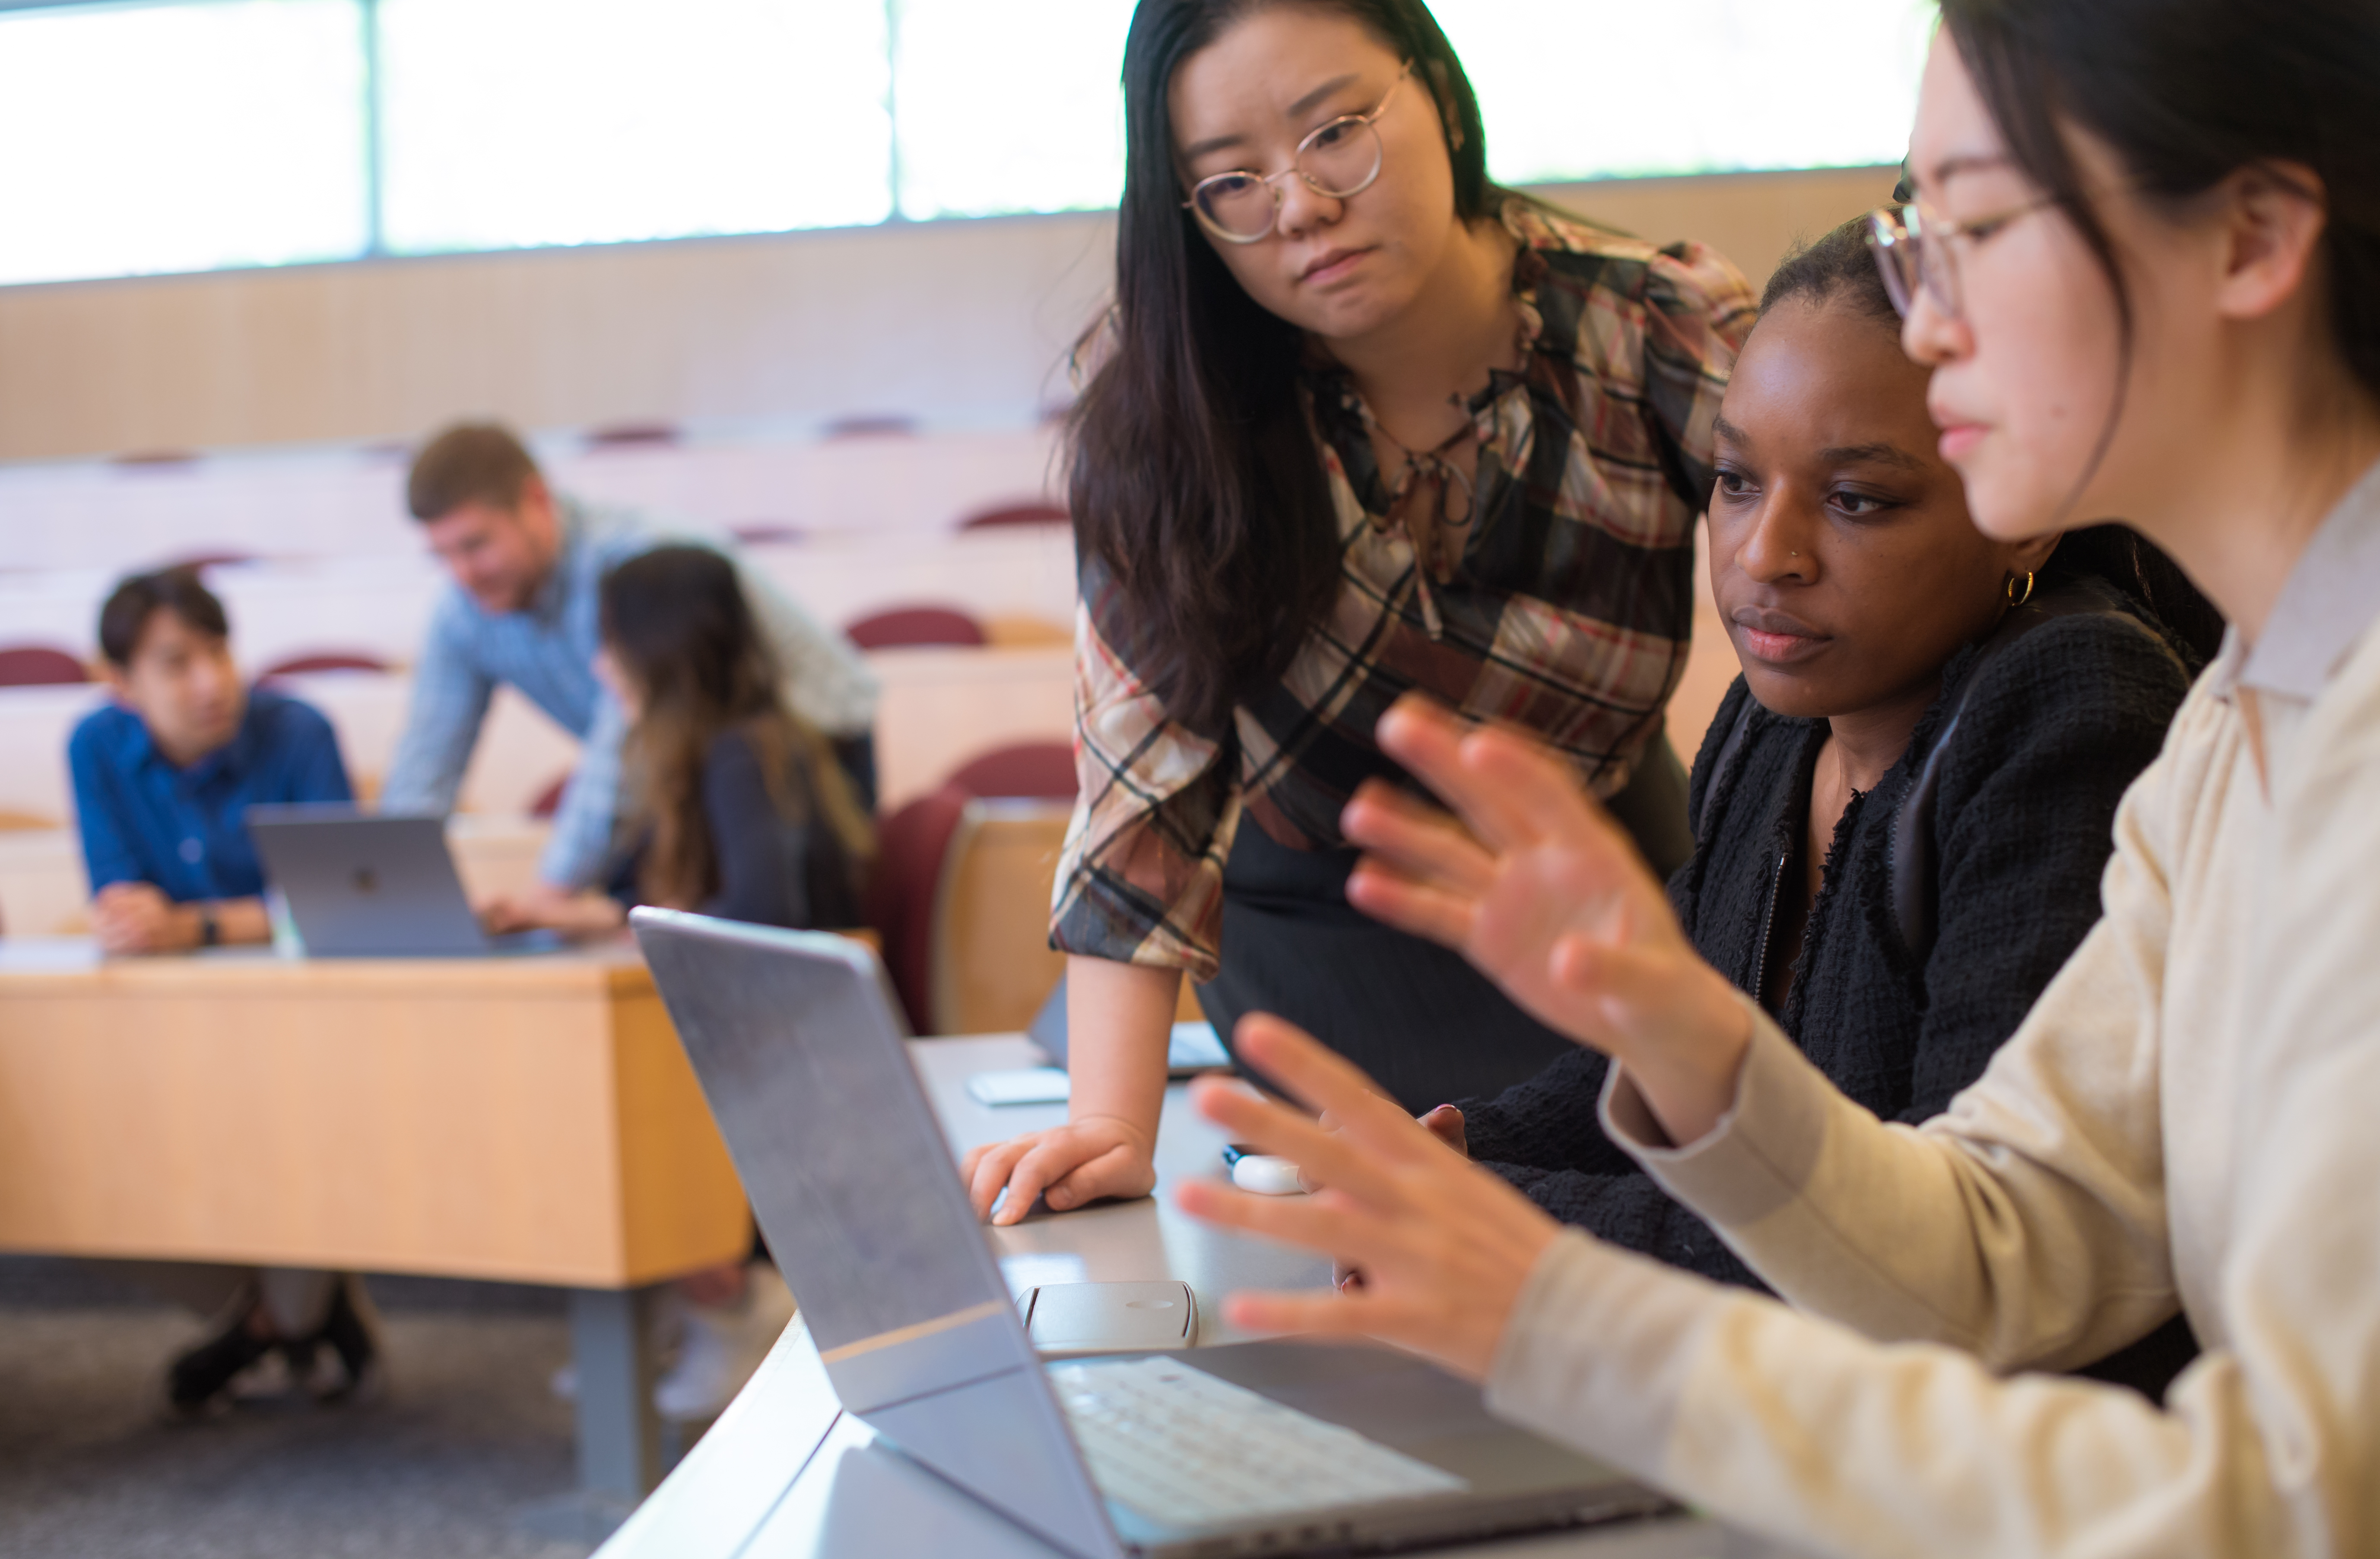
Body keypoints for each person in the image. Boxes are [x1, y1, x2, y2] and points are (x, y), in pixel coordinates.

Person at [1177, 2, 2380, 1553]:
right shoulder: (2244, 712)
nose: (1923, 315)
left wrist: (1561, 1314)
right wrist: (1678, 1031)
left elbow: (2292, 1504)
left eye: (1974, 225)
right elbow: (2007, 1237)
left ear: (2246, 241)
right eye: (1907, 229)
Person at [966, 0, 1758, 1225]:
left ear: (1435, 92)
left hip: (1603, 895)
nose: (1297, 208)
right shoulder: (1172, 428)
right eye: (1227, 180)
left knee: (1660, 1212)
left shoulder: (1644, 329)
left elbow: (1845, 577)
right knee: (1399, 1241)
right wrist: (1108, 1128)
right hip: (1328, 931)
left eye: (1333, 131)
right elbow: (1142, 795)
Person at [1416, 218, 2210, 1393]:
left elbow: (1906, 1255)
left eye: (1854, 500)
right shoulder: (1774, 718)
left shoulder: (2072, 709)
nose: (1761, 554)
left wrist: (1487, 1213)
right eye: (1735, 481)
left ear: (2025, 503)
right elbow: (1689, 1049)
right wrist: (1454, 1147)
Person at [488, 545, 873, 1422]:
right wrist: (600, 907)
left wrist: (614, 916)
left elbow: (760, 913)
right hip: (765, 1016)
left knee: (615, 1087)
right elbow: (661, 886)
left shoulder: (747, 751)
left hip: (791, 1033)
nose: (598, 664)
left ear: (659, 650)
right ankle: (680, 1297)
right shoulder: (699, 750)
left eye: (611, 641)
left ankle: (728, 1295)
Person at [66, 567, 381, 1410]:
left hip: (310, 1029)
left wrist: (199, 926)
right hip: (174, 1029)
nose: (212, 682)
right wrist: (152, 919)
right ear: (119, 684)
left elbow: (343, 899)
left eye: (218, 652)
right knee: (75, 1157)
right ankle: (278, 1314)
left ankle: (281, 1318)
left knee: (301, 1130)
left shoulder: (300, 730)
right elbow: (122, 903)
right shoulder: (92, 746)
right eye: (177, 662)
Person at [380, 422, 878, 920]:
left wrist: (551, 894)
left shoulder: (640, 559)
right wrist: (388, 896)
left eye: (475, 545)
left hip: (806, 749)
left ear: (535, 501)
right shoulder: (462, 611)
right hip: (685, 763)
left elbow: (620, 745)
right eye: (442, 555)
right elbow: (426, 761)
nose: (462, 574)